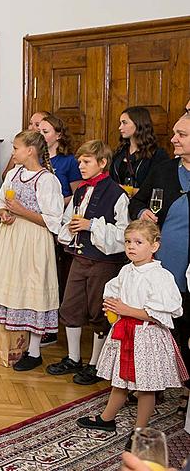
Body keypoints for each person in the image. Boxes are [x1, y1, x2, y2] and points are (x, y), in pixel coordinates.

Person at [76, 220, 187, 452]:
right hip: (125, 334)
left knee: (146, 388)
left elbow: (166, 312)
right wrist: (112, 307)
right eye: (128, 241)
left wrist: (128, 311)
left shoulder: (160, 276)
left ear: (154, 246)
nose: (131, 246)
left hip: (147, 337)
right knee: (120, 380)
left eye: (138, 242)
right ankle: (107, 419)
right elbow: (114, 292)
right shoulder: (126, 270)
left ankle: (140, 432)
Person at [47, 140, 129, 385]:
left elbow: (123, 234)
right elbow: (66, 219)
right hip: (79, 258)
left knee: (98, 311)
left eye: (86, 162)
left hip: (103, 262)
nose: (80, 166)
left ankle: (95, 363)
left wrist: (91, 225)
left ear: (102, 163)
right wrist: (70, 228)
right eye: (79, 161)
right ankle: (73, 358)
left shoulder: (117, 194)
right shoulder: (80, 191)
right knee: (70, 306)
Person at [0, 131, 64, 371]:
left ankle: (35, 351)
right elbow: (0, 201)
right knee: (12, 288)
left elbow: (53, 220)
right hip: (11, 237)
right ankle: (10, 345)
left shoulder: (47, 180)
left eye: (16, 148)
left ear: (30, 150)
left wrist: (20, 210)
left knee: (32, 290)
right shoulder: (14, 174)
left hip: (33, 240)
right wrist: (4, 212)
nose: (13, 152)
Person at [130, 113, 190, 409]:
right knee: (166, 328)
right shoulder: (164, 170)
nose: (174, 139)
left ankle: (187, 392)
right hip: (164, 264)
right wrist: (142, 213)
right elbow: (137, 201)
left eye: (182, 135)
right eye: (175, 133)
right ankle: (156, 383)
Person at [37, 113, 82, 347]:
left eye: (45, 132)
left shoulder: (68, 161)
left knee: (54, 274)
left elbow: (77, 193)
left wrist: (57, 203)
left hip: (58, 219)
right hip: (36, 220)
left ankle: (53, 326)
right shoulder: (36, 159)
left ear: (58, 135)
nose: (41, 136)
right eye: (39, 131)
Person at [111, 106, 169, 195]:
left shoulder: (157, 154)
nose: (120, 127)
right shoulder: (120, 152)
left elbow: (158, 189)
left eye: (124, 123)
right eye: (120, 123)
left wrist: (128, 190)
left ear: (138, 124)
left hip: (141, 206)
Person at [2, 110, 50, 177]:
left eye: (37, 125)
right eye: (30, 124)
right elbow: (5, 175)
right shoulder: (20, 148)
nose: (31, 128)